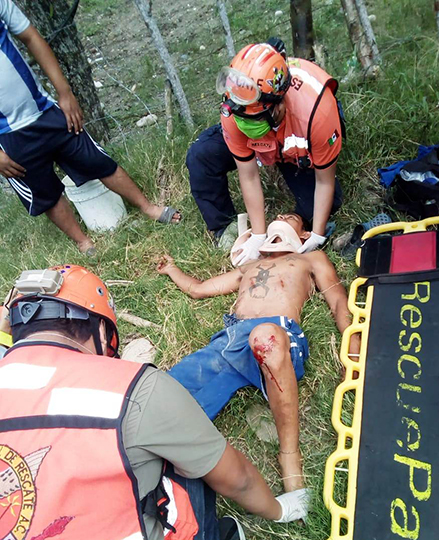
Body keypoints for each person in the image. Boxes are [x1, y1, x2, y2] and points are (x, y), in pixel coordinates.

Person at [0, 265, 309, 540]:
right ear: (103, 332)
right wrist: (279, 510)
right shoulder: (133, 389)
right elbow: (237, 478)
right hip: (225, 346)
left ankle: (288, 453)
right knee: (175, 440)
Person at [157, 213, 357, 493]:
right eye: (279, 215)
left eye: (291, 216)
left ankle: (289, 455)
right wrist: (172, 270)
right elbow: (199, 289)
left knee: (264, 337)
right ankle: (157, 471)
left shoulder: (311, 259)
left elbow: (338, 302)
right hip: (231, 340)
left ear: (304, 235)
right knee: (162, 394)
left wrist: (353, 353)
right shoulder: (249, 266)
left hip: (278, 334)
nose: (280, 216)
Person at [0, 0, 180, 255]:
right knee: (45, 192)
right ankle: (84, 242)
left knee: (96, 160)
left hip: (45, 111)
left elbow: (31, 36)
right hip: (7, 137)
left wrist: (65, 92)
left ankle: (148, 207)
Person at [187, 38, 344, 263]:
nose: (247, 126)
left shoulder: (317, 113)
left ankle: (294, 224)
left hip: (295, 147)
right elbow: (249, 175)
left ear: (279, 104)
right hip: (265, 138)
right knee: (202, 155)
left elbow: (324, 181)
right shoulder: (235, 111)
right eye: (243, 117)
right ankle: (225, 227)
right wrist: (258, 235)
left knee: (324, 205)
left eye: (255, 118)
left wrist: (318, 235)